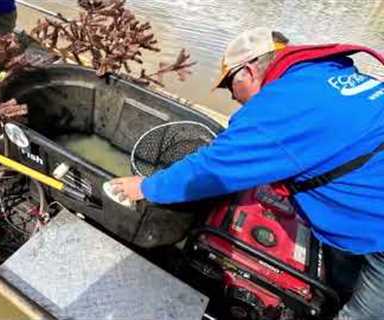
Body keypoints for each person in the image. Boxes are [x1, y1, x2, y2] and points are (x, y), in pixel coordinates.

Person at [110, 27, 384, 319]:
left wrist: (146, 188)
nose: (233, 98)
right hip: (365, 214)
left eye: (230, 87)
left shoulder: (278, 107)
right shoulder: (322, 73)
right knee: (339, 282)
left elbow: (210, 168)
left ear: (248, 72)